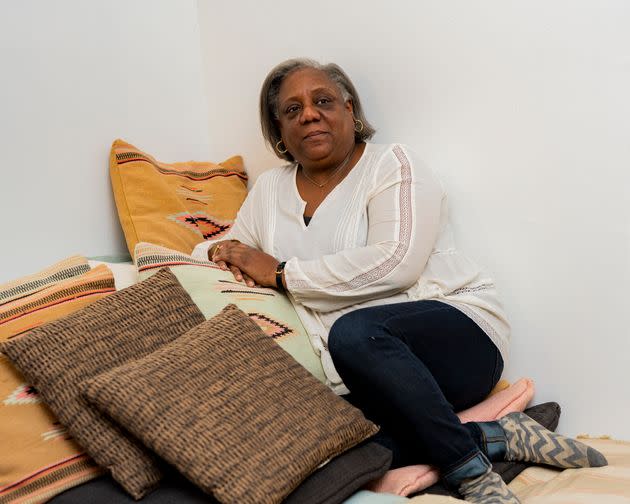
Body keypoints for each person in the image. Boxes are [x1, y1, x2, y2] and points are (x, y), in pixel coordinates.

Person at [192, 58, 606, 503]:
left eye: (323, 101)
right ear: (278, 127)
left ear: (351, 111)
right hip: (360, 374)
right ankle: (495, 437)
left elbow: (395, 264)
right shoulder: (270, 191)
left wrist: (279, 273)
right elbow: (214, 252)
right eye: (291, 110)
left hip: (455, 336)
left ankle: (471, 475)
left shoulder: (393, 164)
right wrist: (222, 251)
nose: (308, 114)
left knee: (356, 332)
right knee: (302, 441)